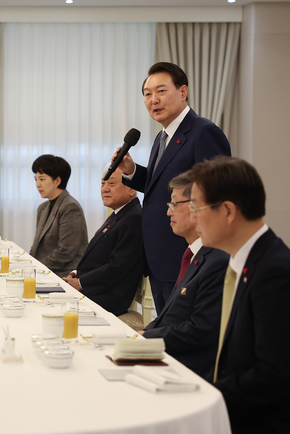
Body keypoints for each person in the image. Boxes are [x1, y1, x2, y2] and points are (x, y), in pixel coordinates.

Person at [113, 62, 231, 313]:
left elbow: (217, 196)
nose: (153, 100)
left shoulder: (204, 132)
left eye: (161, 91)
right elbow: (161, 186)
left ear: (183, 92)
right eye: (147, 94)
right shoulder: (162, 137)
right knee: (168, 334)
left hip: (187, 257)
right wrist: (132, 171)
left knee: (184, 336)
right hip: (160, 260)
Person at [188, 157, 290, 433]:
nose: (192, 217)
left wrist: (204, 395)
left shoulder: (275, 271)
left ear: (228, 211)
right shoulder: (241, 262)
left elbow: (274, 375)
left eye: (196, 207)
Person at [140, 172, 228, 381]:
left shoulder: (217, 260)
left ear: (197, 206)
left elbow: (201, 329)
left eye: (174, 205)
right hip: (164, 351)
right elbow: (171, 317)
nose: (169, 213)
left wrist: (146, 337)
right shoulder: (194, 255)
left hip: (184, 368)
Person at [62, 166, 143, 317]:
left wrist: (81, 283)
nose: (104, 189)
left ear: (132, 189)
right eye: (102, 184)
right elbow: (99, 257)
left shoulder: (134, 217)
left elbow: (118, 266)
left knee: (52, 308)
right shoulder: (120, 213)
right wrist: (77, 274)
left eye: (111, 184)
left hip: (107, 297)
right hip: (97, 289)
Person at [28, 154, 88, 277]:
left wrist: (36, 268)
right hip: (44, 271)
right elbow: (36, 246)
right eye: (36, 179)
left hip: (64, 275)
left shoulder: (70, 207)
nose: (38, 184)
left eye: (42, 179)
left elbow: (66, 252)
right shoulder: (43, 208)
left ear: (57, 181)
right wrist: (28, 265)